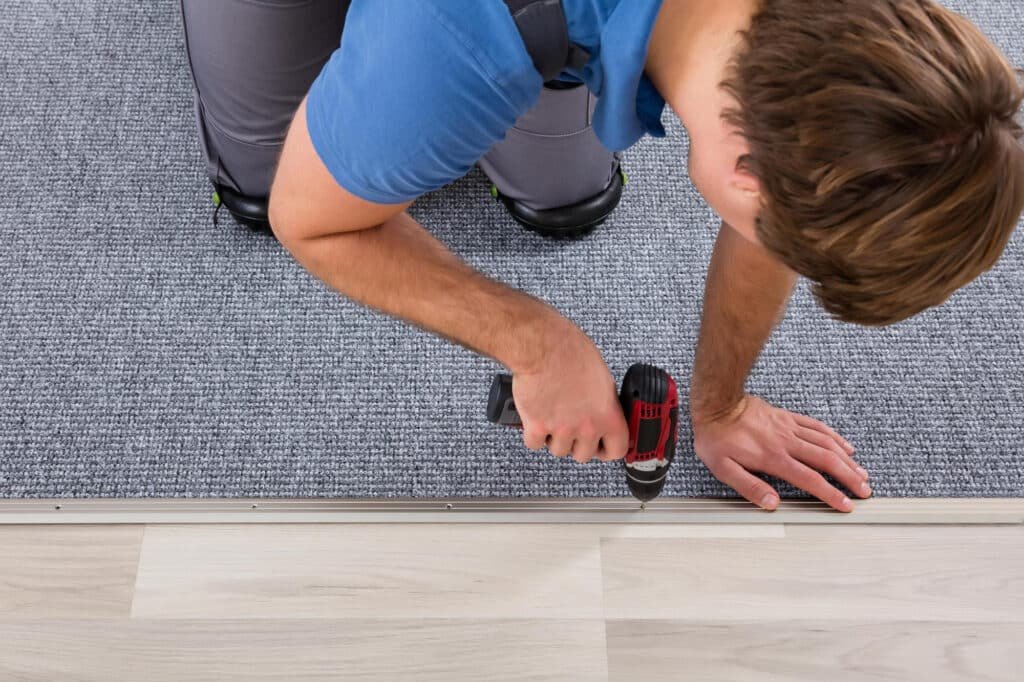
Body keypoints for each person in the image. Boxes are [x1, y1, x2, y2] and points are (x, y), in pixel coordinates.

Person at [183, 0, 1024, 512]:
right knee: (271, 192)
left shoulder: (849, 50)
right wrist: (536, 340)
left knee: (565, 200)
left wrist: (721, 404)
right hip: (461, 19)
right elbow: (315, 223)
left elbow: (790, 191)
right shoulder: (459, 40)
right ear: (747, 170)